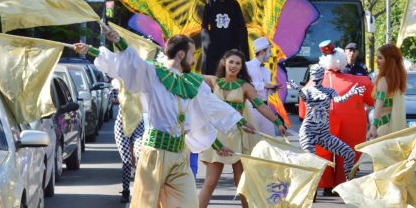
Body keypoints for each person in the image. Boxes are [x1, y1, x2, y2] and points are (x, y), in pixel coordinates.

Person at [75, 29, 256, 208]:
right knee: (146, 205)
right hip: (155, 153)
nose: (194, 60)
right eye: (192, 54)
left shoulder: (191, 82)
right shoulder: (152, 73)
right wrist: (109, 44)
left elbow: (212, 106)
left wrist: (240, 122)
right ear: (181, 54)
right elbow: (128, 63)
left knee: (188, 204)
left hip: (180, 155)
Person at [197, 49, 288, 208]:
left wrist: (278, 122)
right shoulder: (213, 81)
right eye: (231, 62)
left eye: (238, 63)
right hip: (217, 137)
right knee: (210, 182)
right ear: (224, 62)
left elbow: (261, 106)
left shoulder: (245, 86)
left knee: (241, 182)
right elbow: (187, 77)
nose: (234, 66)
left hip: (238, 137)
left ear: (241, 67)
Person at [313, 43, 375, 195]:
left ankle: (326, 185)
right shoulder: (360, 81)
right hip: (352, 123)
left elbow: (303, 107)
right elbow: (373, 100)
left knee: (323, 153)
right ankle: (342, 185)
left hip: (322, 121)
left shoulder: (314, 82)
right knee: (347, 151)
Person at [299, 64, 366, 196]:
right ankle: (309, 192)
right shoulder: (306, 91)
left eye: (319, 74)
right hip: (308, 133)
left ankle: (347, 185)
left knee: (349, 153)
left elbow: (339, 100)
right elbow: (305, 98)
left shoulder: (329, 91)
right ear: (312, 77)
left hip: (324, 134)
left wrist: (351, 93)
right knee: (311, 163)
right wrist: (298, 89)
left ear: (322, 75)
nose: (317, 78)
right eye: (314, 75)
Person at [111, 77, 144, 203]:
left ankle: (141, 190)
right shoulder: (119, 82)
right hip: (122, 126)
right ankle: (126, 191)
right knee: (127, 160)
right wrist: (115, 96)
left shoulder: (143, 83)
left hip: (138, 124)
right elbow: (111, 97)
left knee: (140, 156)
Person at [367, 44, 407, 139]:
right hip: (394, 127)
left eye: (380, 58)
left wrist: (373, 126)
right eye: (377, 57)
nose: (377, 61)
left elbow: (379, 104)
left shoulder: (383, 80)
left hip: (384, 128)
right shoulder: (398, 81)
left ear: (389, 60)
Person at [244, 37, 283, 136]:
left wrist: (272, 90)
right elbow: (245, 85)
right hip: (251, 108)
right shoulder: (246, 66)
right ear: (262, 52)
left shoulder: (267, 70)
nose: (270, 55)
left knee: (270, 138)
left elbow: (265, 92)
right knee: (253, 139)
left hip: (265, 108)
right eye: (269, 51)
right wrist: (264, 85)